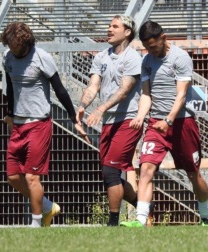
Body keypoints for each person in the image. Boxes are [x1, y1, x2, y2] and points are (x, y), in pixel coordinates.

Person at [119, 20, 208, 227]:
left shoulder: (180, 58)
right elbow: (146, 94)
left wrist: (169, 121)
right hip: (155, 124)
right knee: (145, 169)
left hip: (181, 123)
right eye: (146, 47)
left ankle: (206, 215)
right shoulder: (147, 62)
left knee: (193, 174)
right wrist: (141, 116)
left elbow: (181, 96)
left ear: (163, 38)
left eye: (153, 46)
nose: (150, 50)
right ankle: (141, 220)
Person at [1, 22, 89, 228]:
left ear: (25, 43)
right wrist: (9, 115)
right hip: (18, 124)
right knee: (13, 177)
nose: (12, 50)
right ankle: (49, 206)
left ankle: (37, 222)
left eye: (15, 46)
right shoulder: (7, 57)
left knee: (32, 177)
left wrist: (73, 119)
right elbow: (11, 88)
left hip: (38, 124)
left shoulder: (42, 58)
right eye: (9, 45)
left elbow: (60, 90)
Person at [75, 15, 143, 226]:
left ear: (127, 32)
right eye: (109, 26)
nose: (109, 29)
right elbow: (93, 85)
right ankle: (145, 207)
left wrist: (102, 107)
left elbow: (124, 90)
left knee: (111, 171)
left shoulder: (133, 57)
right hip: (109, 122)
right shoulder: (101, 57)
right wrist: (83, 106)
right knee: (108, 172)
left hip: (128, 120)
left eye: (115, 26)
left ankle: (113, 223)